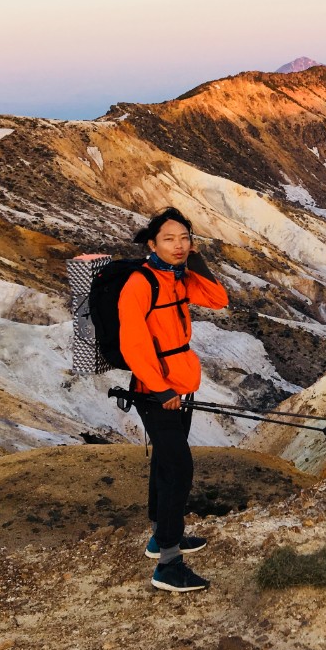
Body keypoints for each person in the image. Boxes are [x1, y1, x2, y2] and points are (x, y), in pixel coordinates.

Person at [119, 206, 229, 592]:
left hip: (180, 382)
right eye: (169, 239)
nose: (179, 245)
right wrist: (160, 388)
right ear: (151, 244)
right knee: (179, 467)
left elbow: (218, 299)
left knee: (167, 462)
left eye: (185, 238)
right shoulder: (141, 283)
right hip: (156, 389)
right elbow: (132, 344)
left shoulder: (178, 277)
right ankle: (167, 563)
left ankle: (159, 536)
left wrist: (194, 260)